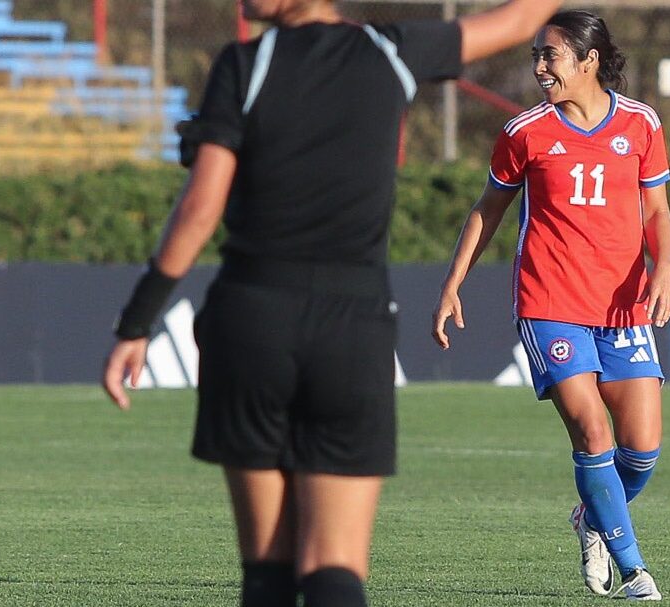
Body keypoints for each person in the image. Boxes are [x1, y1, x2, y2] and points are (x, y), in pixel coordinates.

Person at [100, 1, 564, 606]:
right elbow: (518, 22)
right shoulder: (391, 52)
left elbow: (199, 208)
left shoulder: (245, 63)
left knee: (267, 572)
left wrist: (138, 320)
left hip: (252, 320)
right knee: (333, 571)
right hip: (350, 329)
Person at [431, 9, 670, 601]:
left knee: (641, 449)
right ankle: (634, 569)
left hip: (622, 305)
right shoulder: (526, 132)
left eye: (550, 55)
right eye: (536, 54)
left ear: (589, 60)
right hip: (550, 301)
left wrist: (663, 267)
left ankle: (590, 517)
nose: (539, 67)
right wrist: (453, 282)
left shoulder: (641, 124)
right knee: (592, 435)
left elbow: (657, 212)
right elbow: (489, 208)